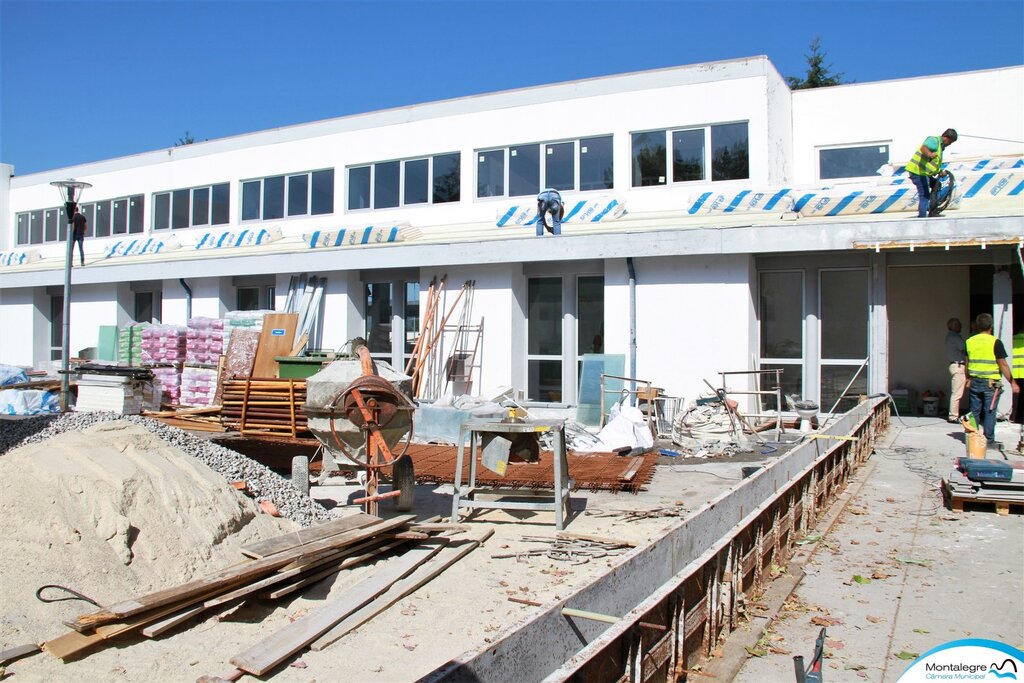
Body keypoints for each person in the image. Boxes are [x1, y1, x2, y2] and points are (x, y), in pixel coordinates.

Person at [965, 313, 1019, 448]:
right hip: (991, 384)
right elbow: (1003, 364)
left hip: (975, 381)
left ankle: (973, 439)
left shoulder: (970, 341)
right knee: (990, 412)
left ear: (977, 326)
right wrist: (1012, 382)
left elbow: (967, 362)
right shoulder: (995, 342)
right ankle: (988, 441)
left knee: (974, 411)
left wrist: (967, 378)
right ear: (991, 326)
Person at [905, 128, 956, 218]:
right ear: (945, 137)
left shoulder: (940, 147)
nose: (949, 144)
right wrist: (929, 154)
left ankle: (932, 210)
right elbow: (923, 148)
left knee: (937, 185)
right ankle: (922, 218)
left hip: (924, 174)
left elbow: (933, 164)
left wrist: (940, 171)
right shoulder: (934, 141)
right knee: (924, 196)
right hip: (918, 173)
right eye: (950, 141)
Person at [945, 317, 967, 423]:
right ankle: (953, 416)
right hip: (958, 366)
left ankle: (953, 415)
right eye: (958, 324)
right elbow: (964, 349)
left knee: (956, 392)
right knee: (957, 393)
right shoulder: (955, 337)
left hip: (955, 365)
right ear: (953, 326)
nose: (961, 326)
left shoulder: (950, 336)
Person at [1012, 326, 1024, 453]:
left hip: (1015, 372)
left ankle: (1014, 417)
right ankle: (1022, 418)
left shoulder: (1012, 340)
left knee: (1015, 398)